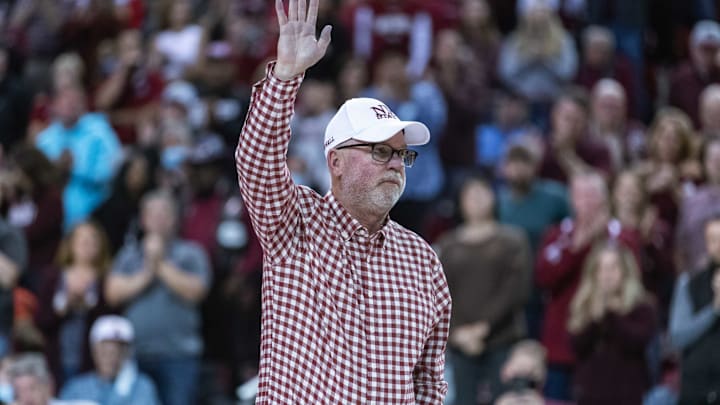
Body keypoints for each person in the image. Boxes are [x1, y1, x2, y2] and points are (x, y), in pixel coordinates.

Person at [235, 0, 452, 403]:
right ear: (335, 161)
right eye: (379, 152)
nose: (395, 165)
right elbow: (255, 162)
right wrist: (285, 78)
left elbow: (427, 387)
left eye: (400, 154)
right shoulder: (294, 224)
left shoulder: (423, 261)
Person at [535, 171, 639, 401]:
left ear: (605, 199)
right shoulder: (557, 235)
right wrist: (580, 245)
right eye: (581, 196)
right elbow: (544, 277)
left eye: (592, 196)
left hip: (607, 350)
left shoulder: (623, 237)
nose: (587, 203)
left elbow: (633, 280)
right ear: (571, 199)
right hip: (560, 347)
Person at [105, 189, 210, 405]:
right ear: (143, 219)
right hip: (134, 353)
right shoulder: (129, 255)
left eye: (164, 214)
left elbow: (196, 291)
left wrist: (159, 263)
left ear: (175, 219)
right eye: (152, 214)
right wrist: (146, 274)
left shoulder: (191, 253)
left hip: (179, 355)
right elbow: (112, 293)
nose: (158, 219)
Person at [435, 176, 531, 405]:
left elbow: (517, 290)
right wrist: (458, 333)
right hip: (460, 343)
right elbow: (438, 294)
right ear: (460, 202)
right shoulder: (447, 245)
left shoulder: (513, 240)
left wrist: (483, 328)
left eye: (483, 192)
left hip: (502, 339)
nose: (477, 199)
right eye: (470, 194)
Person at [568, 242, 657, 404]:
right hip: (590, 394)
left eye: (613, 268)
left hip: (626, 393)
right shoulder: (584, 304)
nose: (607, 275)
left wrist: (611, 314)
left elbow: (637, 341)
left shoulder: (642, 306)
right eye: (601, 269)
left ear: (625, 272)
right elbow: (576, 346)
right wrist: (595, 320)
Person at [35, 85, 122, 232]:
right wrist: (55, 171)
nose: (70, 105)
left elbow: (113, 169)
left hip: (96, 214)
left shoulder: (100, 131)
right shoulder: (45, 139)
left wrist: (76, 168)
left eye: (75, 101)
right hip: (53, 221)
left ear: (83, 104)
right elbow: (35, 179)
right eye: (65, 101)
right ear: (54, 106)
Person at [36, 221, 113, 386]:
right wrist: (65, 305)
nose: (87, 246)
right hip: (57, 357)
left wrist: (89, 305)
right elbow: (41, 321)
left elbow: (110, 320)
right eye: (82, 240)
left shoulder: (107, 279)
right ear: (71, 244)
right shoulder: (53, 277)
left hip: (91, 360)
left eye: (93, 241)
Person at [669, 216, 720, 403]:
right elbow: (678, 336)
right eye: (714, 240)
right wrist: (714, 310)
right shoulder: (689, 283)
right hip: (697, 389)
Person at [60, 315, 160, 405]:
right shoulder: (76, 388)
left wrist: (123, 385)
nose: (111, 357)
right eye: (104, 350)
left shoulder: (142, 387)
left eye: (118, 351)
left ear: (128, 354)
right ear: (94, 351)